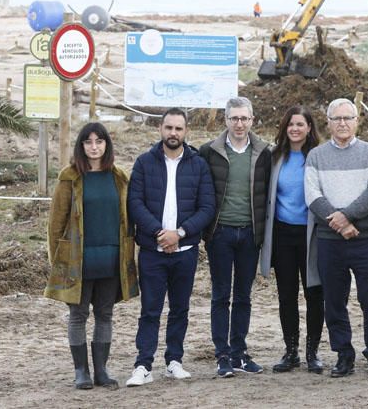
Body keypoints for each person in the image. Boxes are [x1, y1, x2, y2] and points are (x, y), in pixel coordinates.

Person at [126, 108, 215, 387]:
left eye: (178, 128)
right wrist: (158, 233)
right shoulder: (144, 163)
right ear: (160, 129)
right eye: (169, 128)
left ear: (186, 131)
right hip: (152, 251)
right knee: (150, 310)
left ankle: (174, 361)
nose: (173, 133)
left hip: (185, 252)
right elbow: (135, 203)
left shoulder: (198, 165)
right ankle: (143, 364)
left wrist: (179, 233)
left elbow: (207, 206)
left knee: (180, 309)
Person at [45, 122, 138, 390]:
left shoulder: (119, 177)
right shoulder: (69, 177)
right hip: (78, 260)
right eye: (88, 142)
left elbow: (127, 220)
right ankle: (81, 371)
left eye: (99, 141)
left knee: (105, 314)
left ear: (107, 145)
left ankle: (101, 371)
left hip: (111, 257)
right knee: (78, 315)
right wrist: (58, 262)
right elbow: (56, 223)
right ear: (81, 146)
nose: (94, 146)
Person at [304, 98, 368, 378]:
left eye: (347, 118)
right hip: (330, 240)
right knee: (334, 301)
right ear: (327, 122)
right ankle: (343, 355)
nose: (342, 123)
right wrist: (340, 224)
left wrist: (347, 217)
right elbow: (312, 195)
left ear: (357, 120)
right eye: (336, 118)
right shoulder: (315, 156)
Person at [199, 97, 272, 377]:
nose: (239, 124)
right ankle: (222, 355)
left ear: (252, 120)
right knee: (221, 295)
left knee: (243, 296)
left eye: (244, 118)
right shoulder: (210, 152)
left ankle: (239, 352)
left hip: (250, 235)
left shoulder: (264, 152)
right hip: (221, 234)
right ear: (225, 120)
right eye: (234, 119)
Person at [260, 105, 325, 374]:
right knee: (287, 295)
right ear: (285, 128)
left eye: (300, 124)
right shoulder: (275, 157)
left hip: (312, 235)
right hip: (283, 234)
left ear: (310, 128)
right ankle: (291, 351)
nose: (295, 129)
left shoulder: (319, 157)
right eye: (291, 124)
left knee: (314, 293)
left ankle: (312, 352)